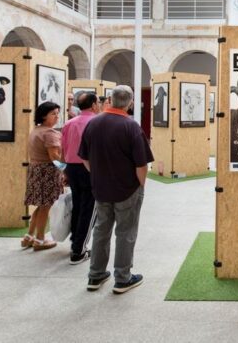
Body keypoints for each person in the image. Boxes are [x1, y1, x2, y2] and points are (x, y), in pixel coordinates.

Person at [79, 85, 154, 294]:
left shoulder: (93, 124)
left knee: (101, 229)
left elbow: (84, 157)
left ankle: (95, 275)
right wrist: (140, 185)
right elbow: (142, 165)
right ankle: (123, 277)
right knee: (126, 231)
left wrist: (97, 174)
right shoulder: (131, 127)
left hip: (101, 187)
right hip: (127, 189)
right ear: (130, 103)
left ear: (109, 100)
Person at [61, 91, 100, 265]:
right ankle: (78, 250)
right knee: (89, 208)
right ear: (93, 105)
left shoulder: (69, 123)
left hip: (71, 168)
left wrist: (64, 171)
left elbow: (64, 149)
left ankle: (75, 241)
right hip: (88, 168)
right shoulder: (96, 123)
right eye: (98, 102)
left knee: (78, 204)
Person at [22, 101, 64, 251]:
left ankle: (29, 236)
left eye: (57, 113)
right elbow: (54, 157)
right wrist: (65, 169)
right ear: (43, 116)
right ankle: (40, 239)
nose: (57, 116)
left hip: (35, 170)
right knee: (45, 207)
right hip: (47, 172)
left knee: (40, 206)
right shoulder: (49, 133)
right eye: (53, 114)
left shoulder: (36, 131)